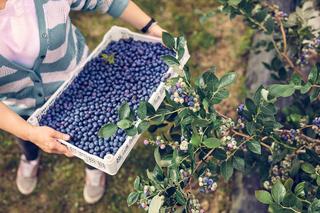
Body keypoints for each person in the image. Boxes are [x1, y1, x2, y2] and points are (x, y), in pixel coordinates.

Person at [0, 0, 164, 204]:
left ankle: (94, 167)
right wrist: (29, 132)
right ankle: (30, 159)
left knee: (95, 140)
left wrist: (150, 27)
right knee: (26, 139)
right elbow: (25, 129)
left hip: (83, 87)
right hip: (20, 108)